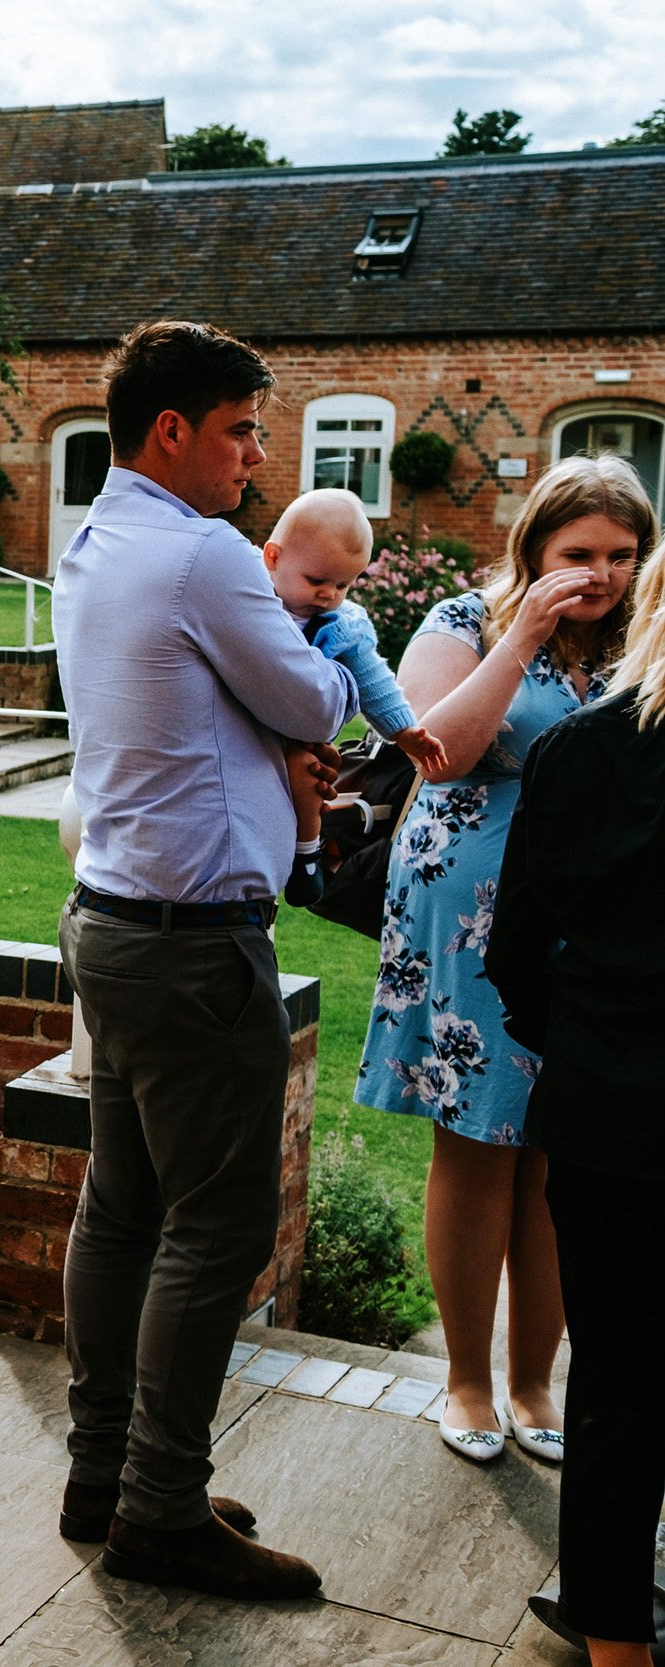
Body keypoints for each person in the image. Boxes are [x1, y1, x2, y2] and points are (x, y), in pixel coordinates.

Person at [54, 319, 356, 1601]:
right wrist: (318, 689)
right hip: (190, 944)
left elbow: (206, 697)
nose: (253, 456)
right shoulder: (206, 555)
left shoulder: (96, 536)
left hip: (111, 922)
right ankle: (161, 1509)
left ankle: (103, 1470)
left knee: (119, 1209)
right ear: (168, 429)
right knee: (213, 1228)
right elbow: (312, 703)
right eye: (238, 430)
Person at [356, 455, 642, 1465]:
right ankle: (467, 1381)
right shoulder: (461, 620)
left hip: (596, 923)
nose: (598, 574)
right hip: (467, 917)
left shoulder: (644, 638)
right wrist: (522, 631)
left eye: (619, 553)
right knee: (477, 1144)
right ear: (533, 546)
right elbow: (443, 746)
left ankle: (534, 1383)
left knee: (565, 1152)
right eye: (577, 553)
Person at [486, 490, 663, 1667]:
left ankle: (610, 1629)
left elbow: (515, 951)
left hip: (604, 1109)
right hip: (612, 1103)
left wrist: (591, 1046)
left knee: (616, 1376)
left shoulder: (579, 750)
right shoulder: (580, 746)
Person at [263, 487, 448, 773]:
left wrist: (404, 731)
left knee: (309, 780)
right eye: (316, 580)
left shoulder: (344, 626)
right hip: (247, 734)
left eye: (342, 585)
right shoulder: (249, 595)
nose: (328, 594)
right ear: (273, 558)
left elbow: (372, 679)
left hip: (299, 743)